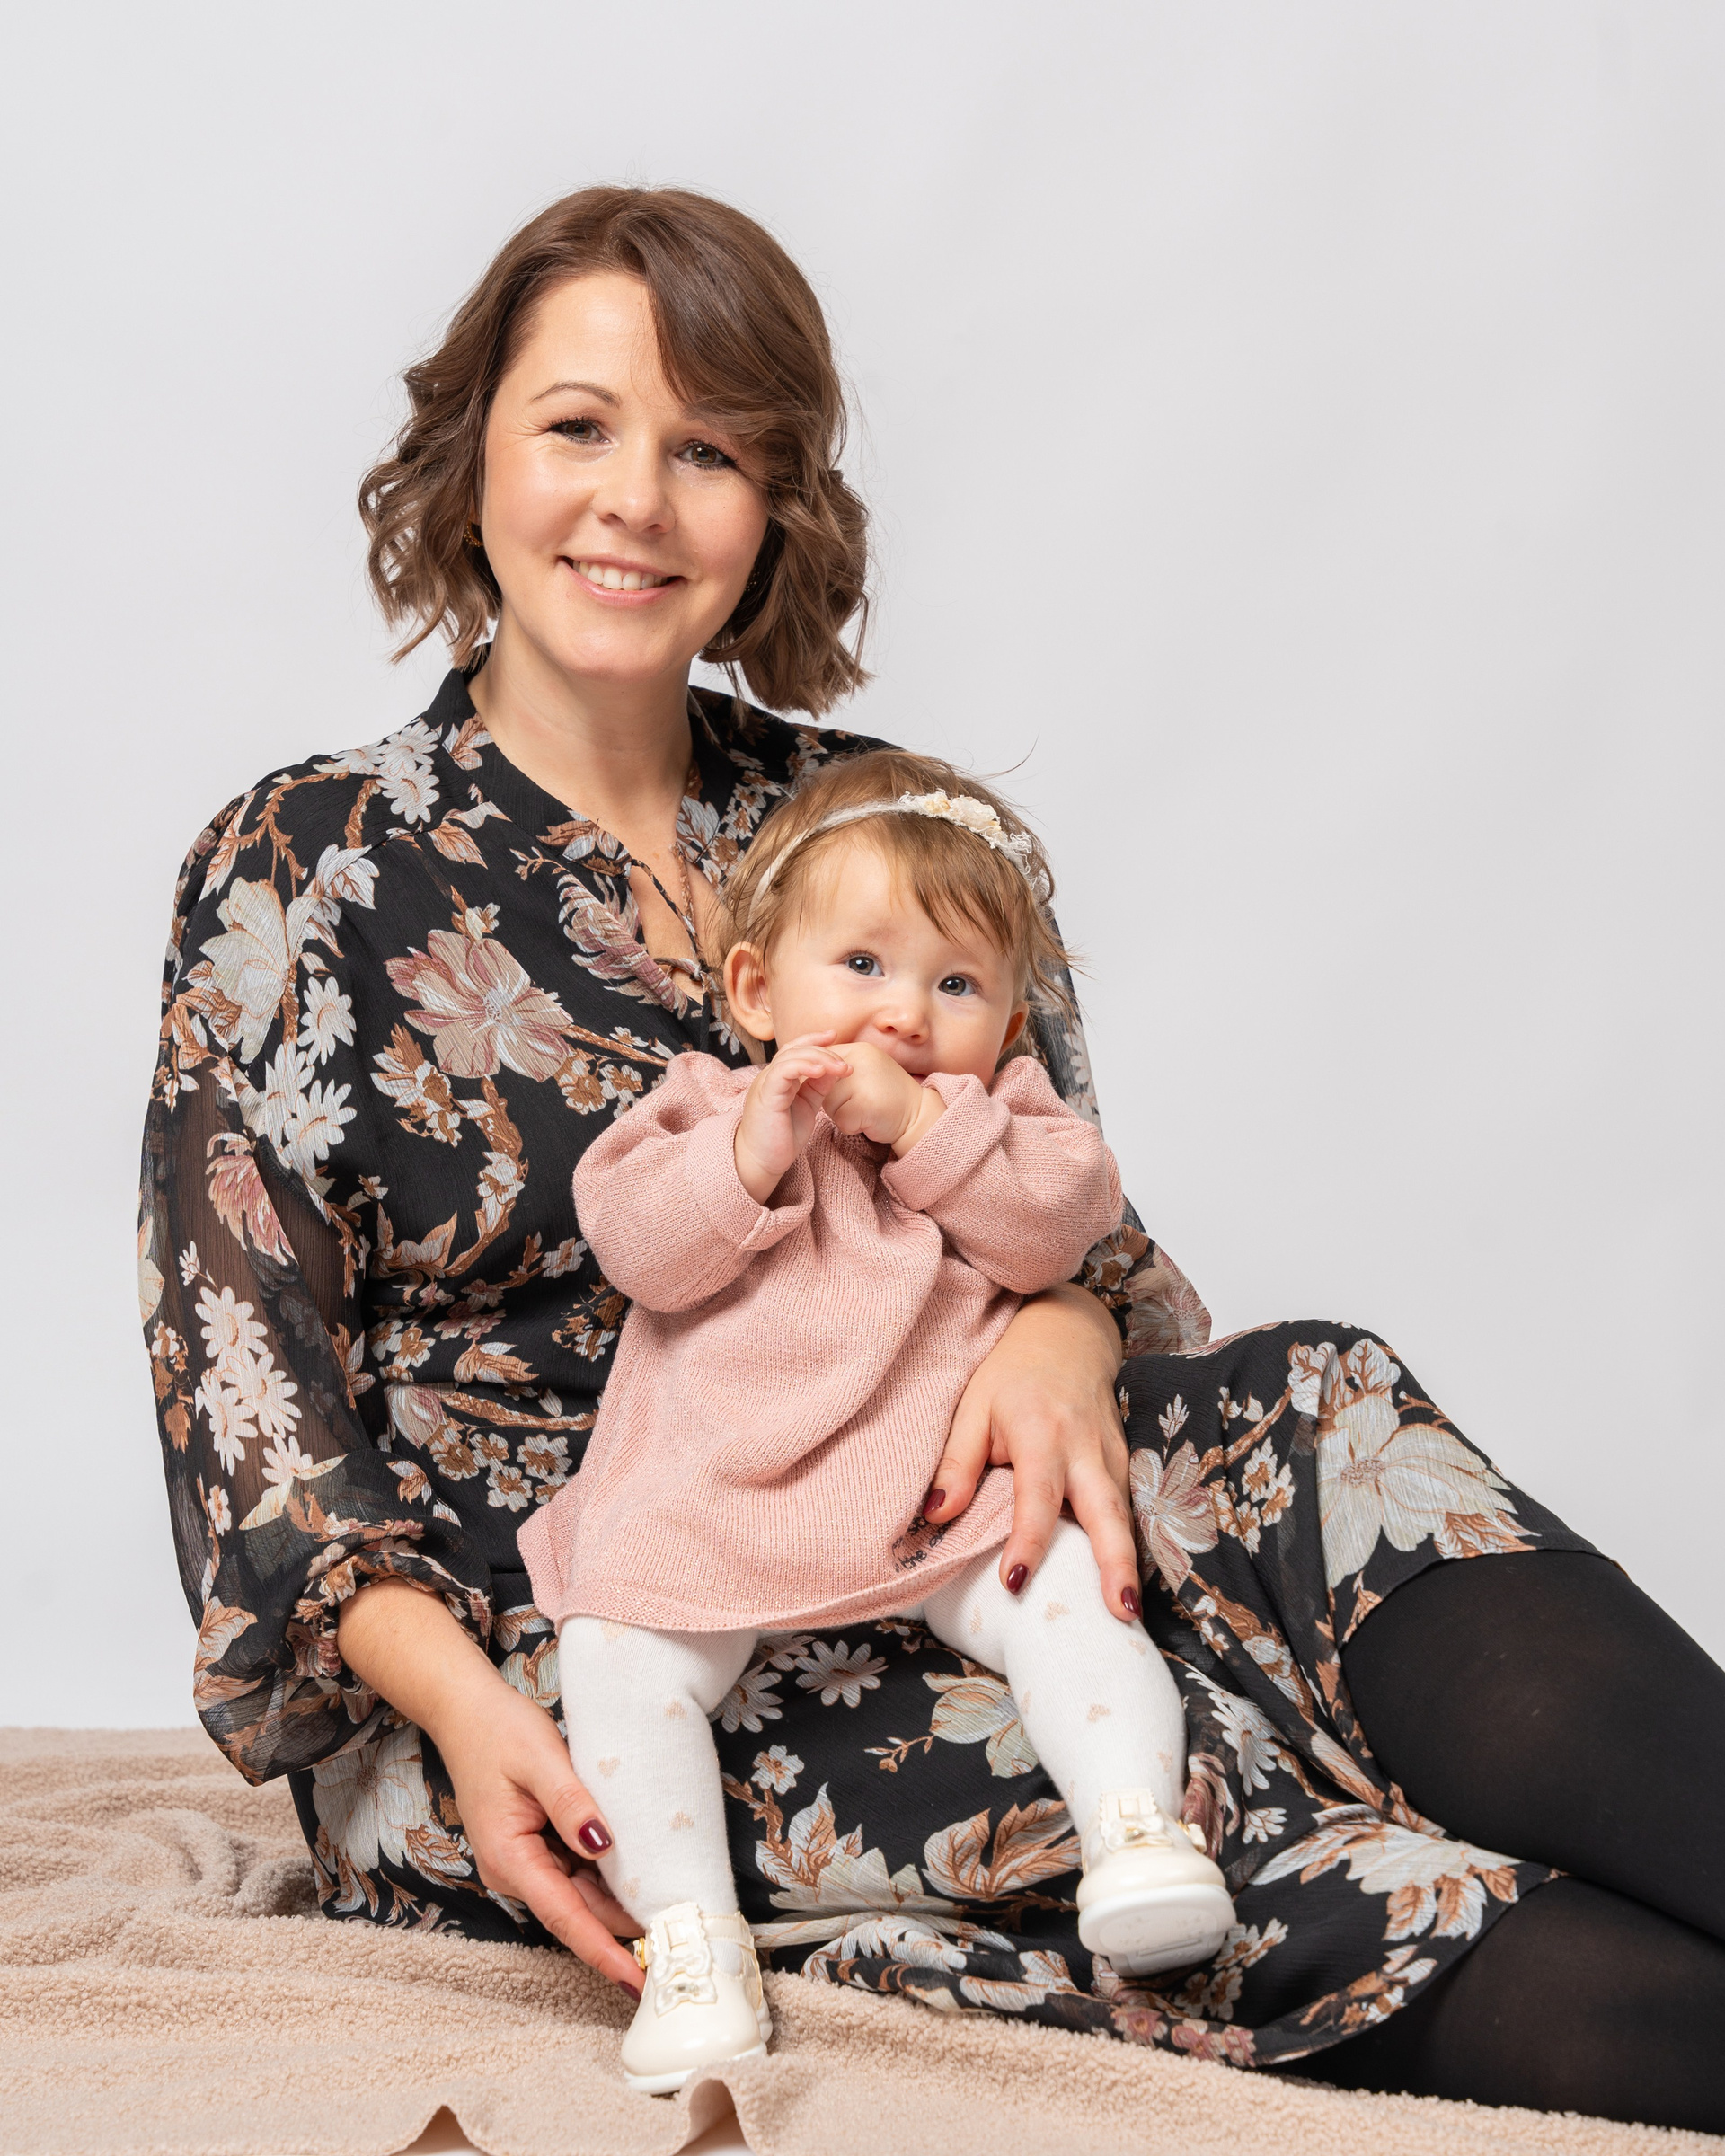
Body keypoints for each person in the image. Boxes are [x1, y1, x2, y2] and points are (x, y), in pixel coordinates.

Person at [139, 184, 1724, 2132]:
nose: (635, 501)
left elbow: (1072, 1217)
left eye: (706, 449)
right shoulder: (302, 870)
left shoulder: (872, 817)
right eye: (578, 426)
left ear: (773, 502)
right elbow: (254, 1425)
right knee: (1192, 1810)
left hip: (938, 1485)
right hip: (592, 1622)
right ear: (476, 451)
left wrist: (1060, 1329)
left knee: (1318, 1401)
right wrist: (467, 1713)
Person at [521, 752, 1234, 2091]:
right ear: (756, 990)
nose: (906, 1012)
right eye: (861, 965)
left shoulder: (1006, 1121)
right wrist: (751, 1155)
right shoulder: (698, 1110)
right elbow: (643, 1253)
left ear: (1009, 1022)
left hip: (933, 1500)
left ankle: (1137, 1832)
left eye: (956, 985)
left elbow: (1053, 1233)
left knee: (1069, 1588)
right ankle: (690, 1940)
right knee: (614, 1658)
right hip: (710, 1504)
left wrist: (921, 1127)